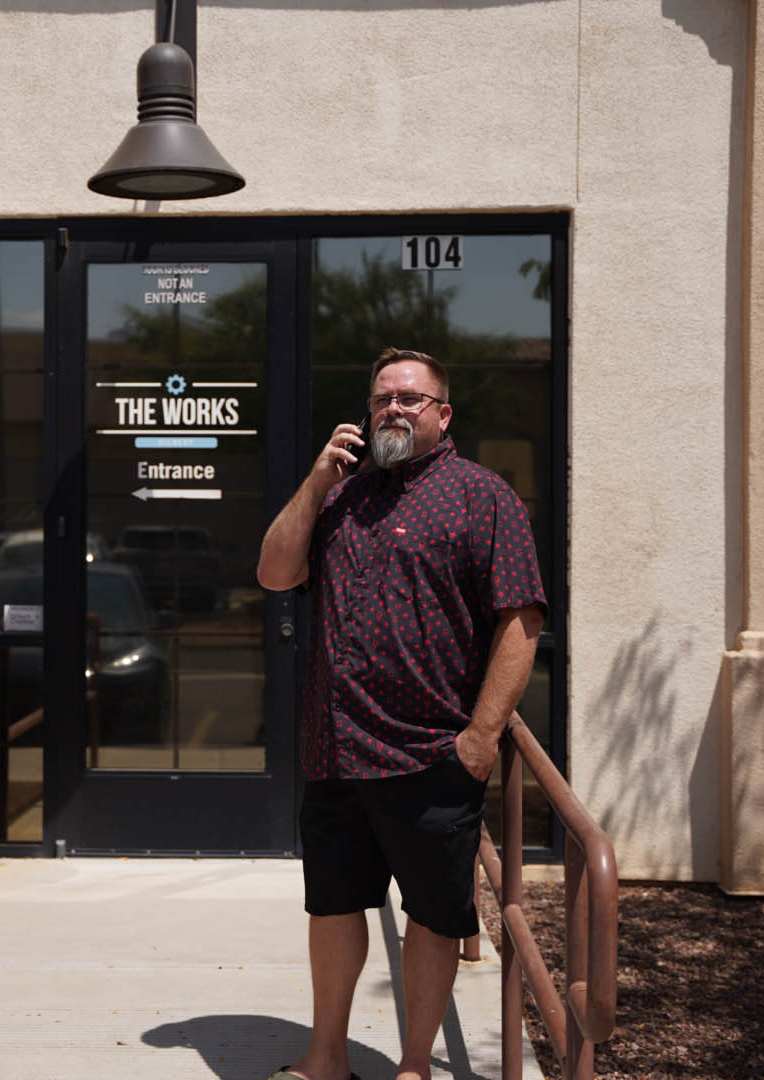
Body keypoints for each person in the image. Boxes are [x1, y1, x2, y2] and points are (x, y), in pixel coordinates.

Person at [256, 347, 546, 1080]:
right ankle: (326, 1057)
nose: (393, 409)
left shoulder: (485, 499)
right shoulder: (340, 497)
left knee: (432, 918)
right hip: (334, 749)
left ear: (442, 415)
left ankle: (415, 1064)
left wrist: (481, 736)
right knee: (332, 908)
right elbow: (273, 572)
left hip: (430, 754)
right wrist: (320, 476)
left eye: (411, 398)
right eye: (382, 397)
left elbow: (521, 623)